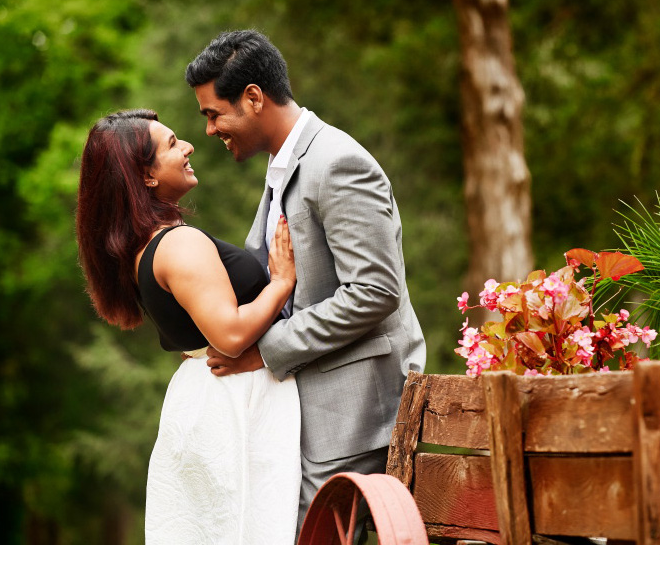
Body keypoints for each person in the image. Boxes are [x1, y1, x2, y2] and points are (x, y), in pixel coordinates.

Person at [185, 29, 427, 540]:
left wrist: (265, 349)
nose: (209, 130)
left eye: (213, 113)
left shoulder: (337, 162)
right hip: (311, 406)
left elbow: (375, 292)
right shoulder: (285, 164)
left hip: (356, 413)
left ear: (253, 98)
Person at [75, 109, 301, 544]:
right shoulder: (178, 244)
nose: (189, 146)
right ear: (146, 177)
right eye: (173, 144)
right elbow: (232, 336)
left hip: (205, 395)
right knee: (249, 532)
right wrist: (282, 283)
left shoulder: (145, 248)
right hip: (233, 400)